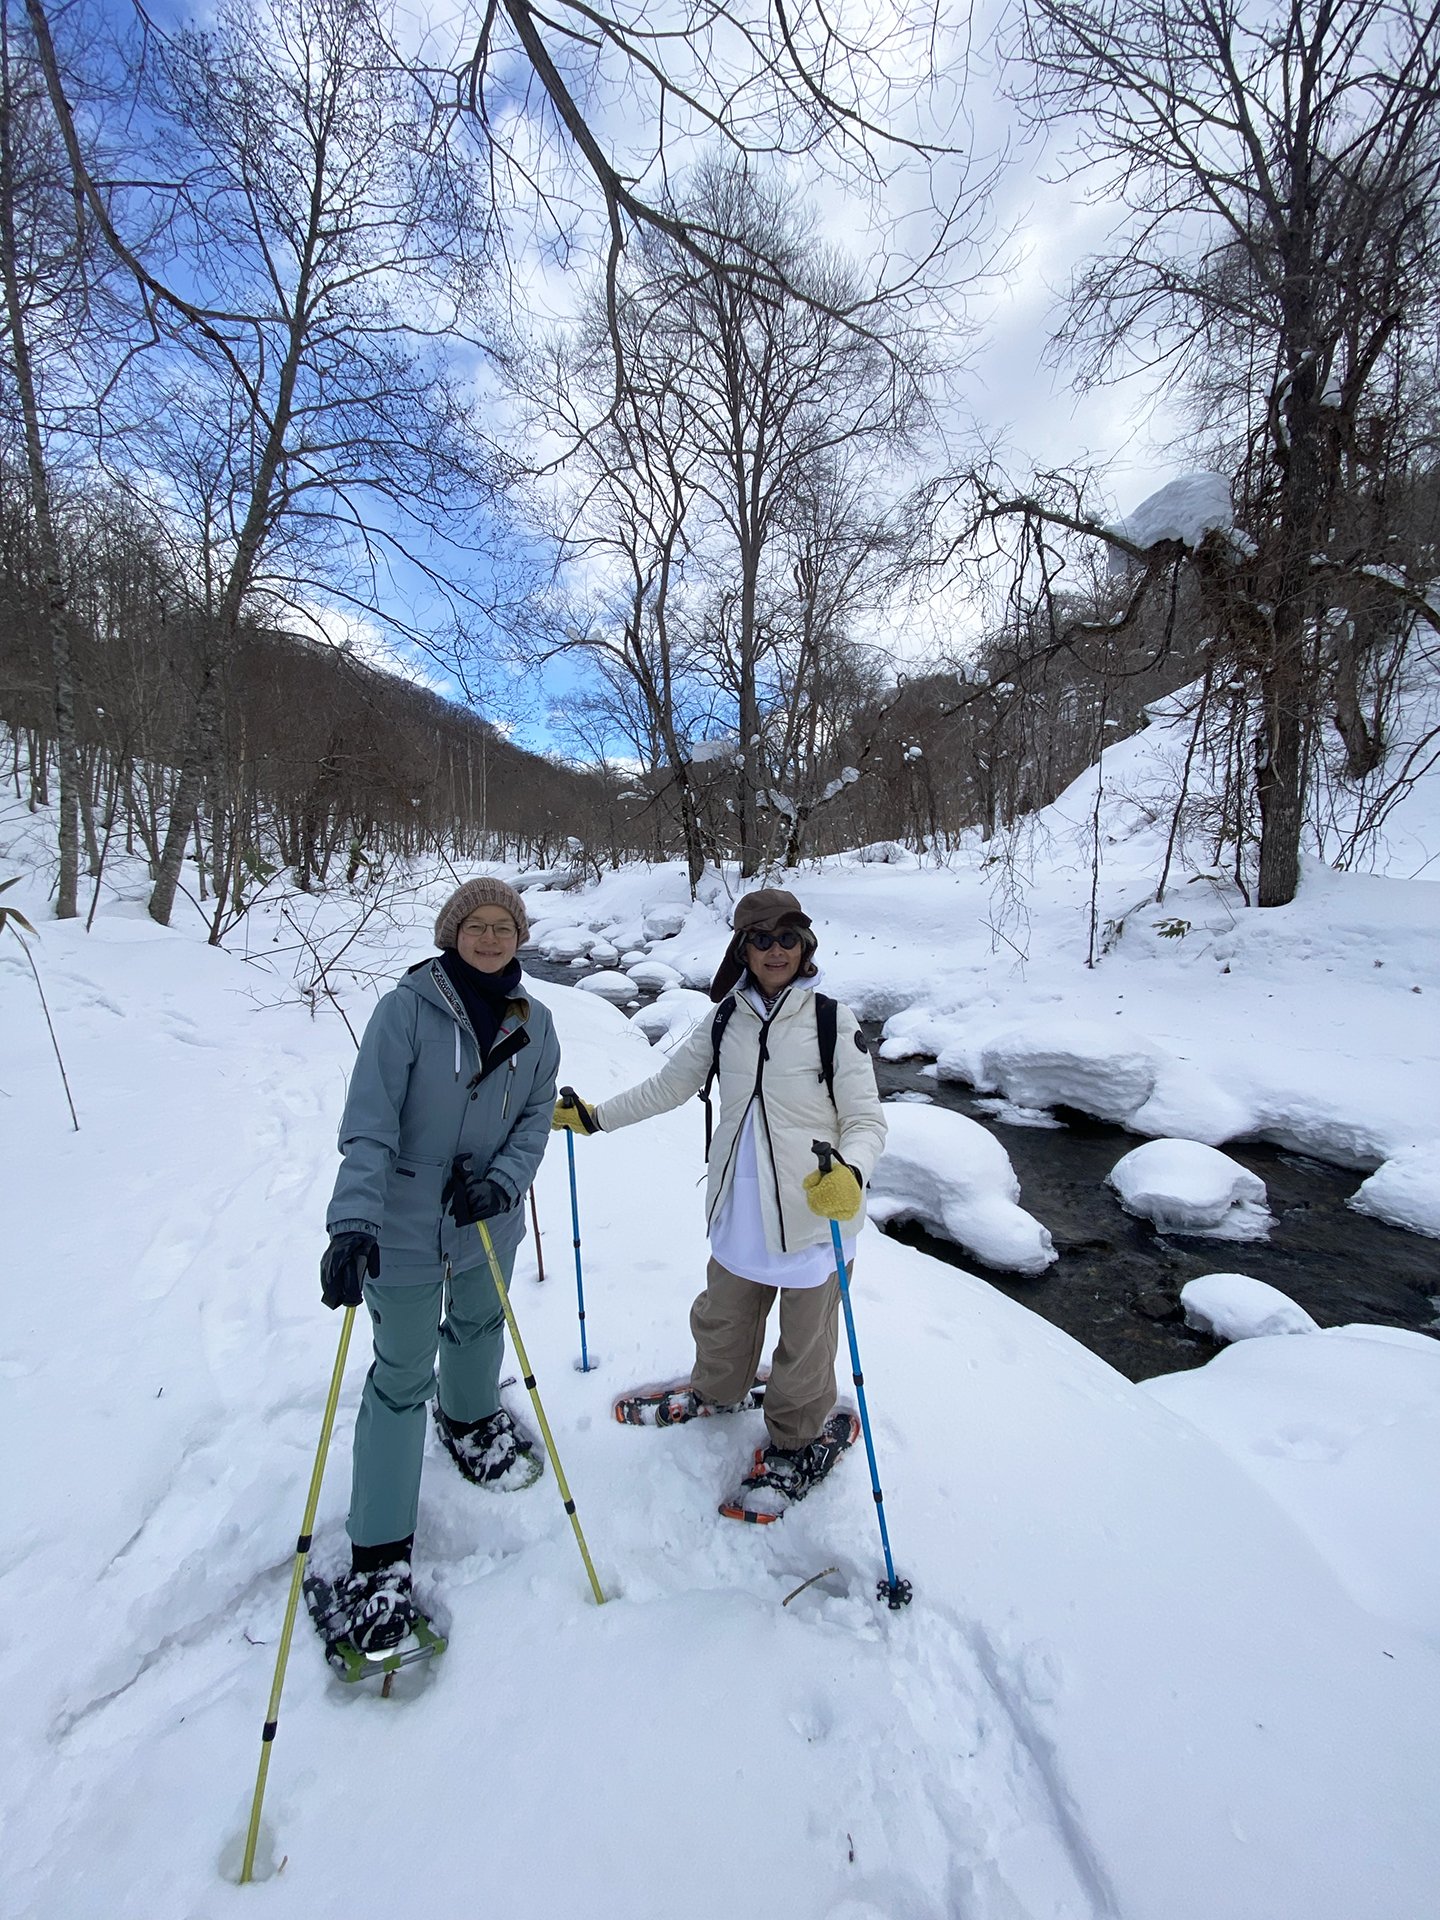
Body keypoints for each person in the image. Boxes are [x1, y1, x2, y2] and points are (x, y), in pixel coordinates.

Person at [554, 888, 886, 1520]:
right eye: (761, 939)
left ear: (805, 946)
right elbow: (667, 1087)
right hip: (739, 1207)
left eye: (787, 938)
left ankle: (795, 1439)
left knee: (805, 1346)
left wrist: (851, 1173)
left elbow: (866, 1120)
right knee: (722, 1319)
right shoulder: (724, 1019)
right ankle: (719, 1390)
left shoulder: (831, 1022)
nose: (775, 951)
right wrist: (596, 1117)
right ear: (743, 949)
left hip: (816, 1212)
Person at [320, 876, 559, 1650]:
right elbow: (370, 1123)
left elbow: (534, 1116)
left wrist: (503, 1183)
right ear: (452, 933)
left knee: (481, 1323)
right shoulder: (405, 1012)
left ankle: (469, 1416)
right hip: (404, 1220)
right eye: (475, 925)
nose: (490, 938)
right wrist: (353, 1223)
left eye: (503, 926)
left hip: (486, 1216)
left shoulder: (535, 1022)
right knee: (400, 1373)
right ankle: (378, 1553)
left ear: (519, 937)